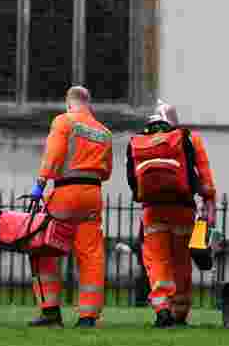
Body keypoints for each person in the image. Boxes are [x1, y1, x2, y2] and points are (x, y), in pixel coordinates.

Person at [27, 85, 113, 329]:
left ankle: (50, 311)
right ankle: (88, 316)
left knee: (43, 249)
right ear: (89, 103)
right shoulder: (104, 131)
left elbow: (53, 155)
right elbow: (106, 172)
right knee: (91, 254)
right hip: (93, 194)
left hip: (66, 192)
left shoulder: (64, 122)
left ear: (68, 103)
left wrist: (40, 185)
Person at [127, 100, 216, 328]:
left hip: (153, 211)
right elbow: (205, 177)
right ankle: (180, 312)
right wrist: (210, 205)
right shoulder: (189, 138)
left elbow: (132, 180)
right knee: (181, 262)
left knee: (157, 261)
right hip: (183, 209)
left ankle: (162, 308)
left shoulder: (139, 141)